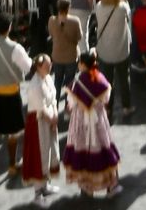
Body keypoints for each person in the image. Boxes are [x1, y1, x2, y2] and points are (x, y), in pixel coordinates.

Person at [63, 48, 121, 197]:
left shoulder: (76, 83)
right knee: (102, 147)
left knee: (82, 150)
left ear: (82, 64)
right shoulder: (100, 78)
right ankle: (111, 186)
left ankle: (87, 187)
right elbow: (106, 98)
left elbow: (71, 103)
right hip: (98, 119)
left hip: (80, 121)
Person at [0, 12, 31, 178]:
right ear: (9, 28)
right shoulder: (16, 48)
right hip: (10, 94)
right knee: (13, 132)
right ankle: (11, 164)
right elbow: (27, 66)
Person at [21, 52, 60, 200]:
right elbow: (41, 108)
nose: (50, 67)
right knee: (40, 155)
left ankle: (45, 185)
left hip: (49, 120)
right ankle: (38, 193)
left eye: (50, 65)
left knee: (49, 152)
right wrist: (52, 119)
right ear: (38, 67)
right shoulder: (35, 85)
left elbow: (53, 98)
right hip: (38, 123)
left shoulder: (48, 78)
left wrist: (55, 114)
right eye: (47, 66)